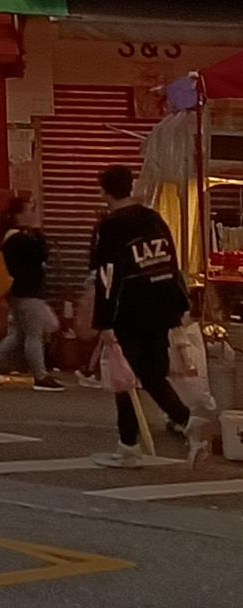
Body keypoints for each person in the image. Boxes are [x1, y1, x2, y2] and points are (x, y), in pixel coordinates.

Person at [90, 163, 206, 469]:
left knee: (125, 377)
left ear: (104, 192)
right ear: (130, 186)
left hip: (130, 310)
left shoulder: (111, 226)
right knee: (153, 375)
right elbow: (171, 264)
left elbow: (107, 276)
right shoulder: (153, 218)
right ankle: (186, 422)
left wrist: (104, 321)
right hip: (162, 307)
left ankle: (128, 446)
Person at [0, 196, 61, 391]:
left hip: (21, 293)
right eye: (29, 210)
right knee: (33, 335)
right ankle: (40, 376)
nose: (33, 214)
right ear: (19, 215)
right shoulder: (18, 239)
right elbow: (42, 253)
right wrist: (38, 230)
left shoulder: (12, 237)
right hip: (28, 293)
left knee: (20, 334)